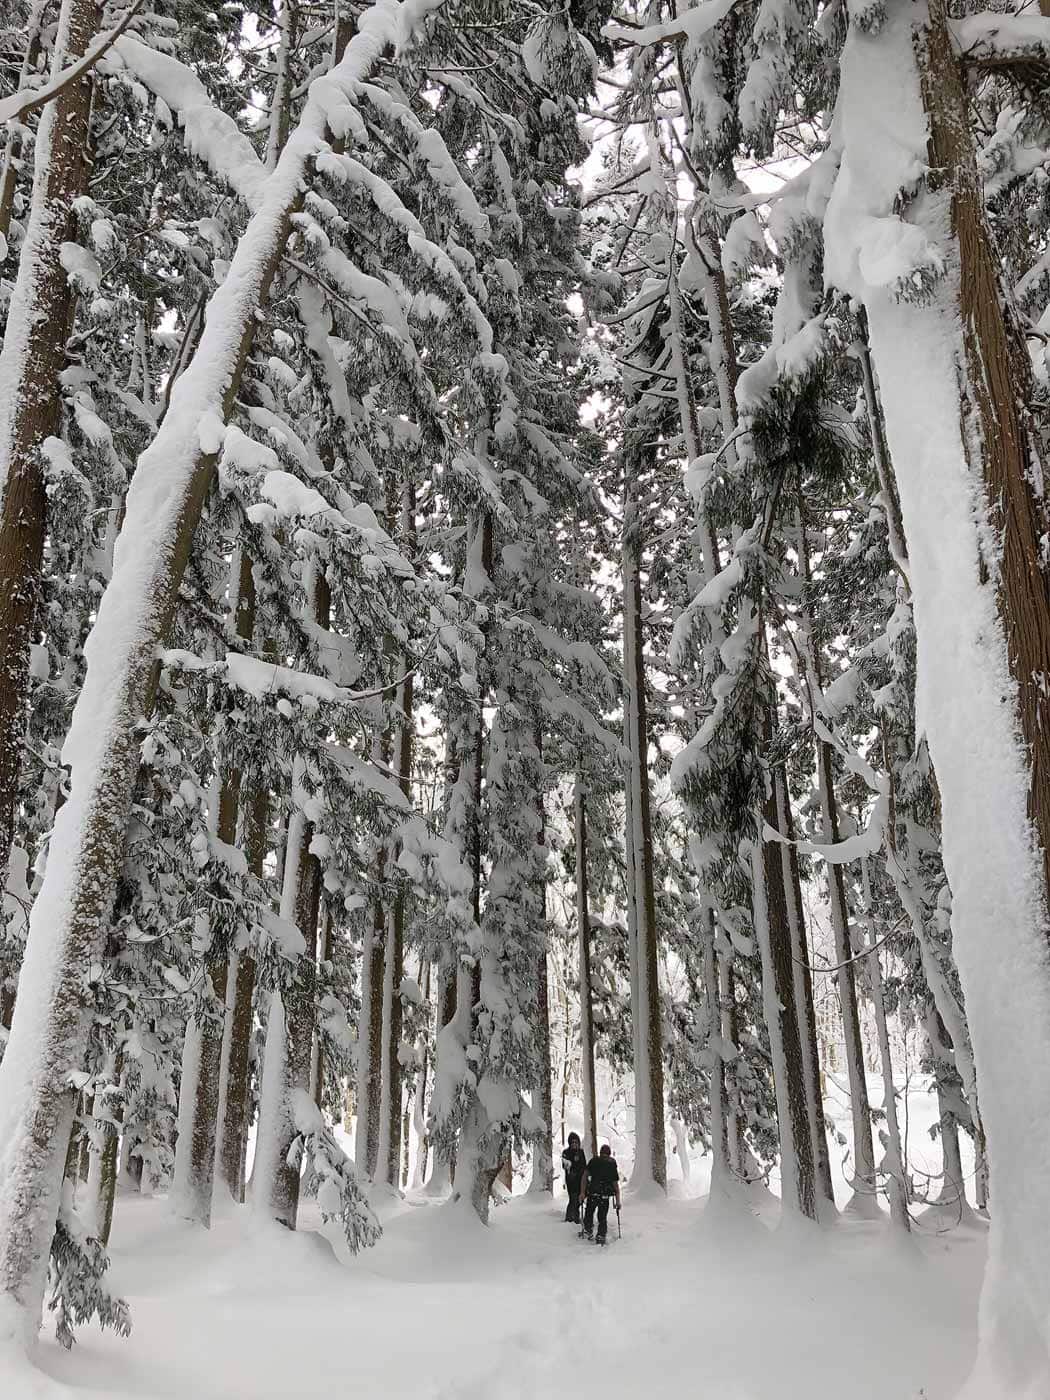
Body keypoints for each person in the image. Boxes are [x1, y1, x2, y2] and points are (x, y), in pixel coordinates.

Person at [581, 1143, 621, 1243]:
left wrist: (582, 1192)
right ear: (609, 1154)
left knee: (589, 1213)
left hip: (593, 1193)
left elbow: (584, 1177)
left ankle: (588, 1230)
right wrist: (618, 1201)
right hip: (605, 1195)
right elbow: (615, 1185)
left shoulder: (594, 1161)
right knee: (602, 1217)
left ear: (600, 1152)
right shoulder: (611, 1164)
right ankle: (601, 1236)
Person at [561, 1132, 587, 1223]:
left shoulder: (581, 1152)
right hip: (571, 1180)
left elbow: (584, 1165)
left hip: (581, 1180)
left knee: (579, 1199)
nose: (574, 1144)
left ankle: (576, 1216)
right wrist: (570, 1168)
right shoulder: (566, 1152)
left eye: (576, 1142)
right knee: (573, 1199)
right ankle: (570, 1218)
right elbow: (564, 1165)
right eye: (573, 1142)